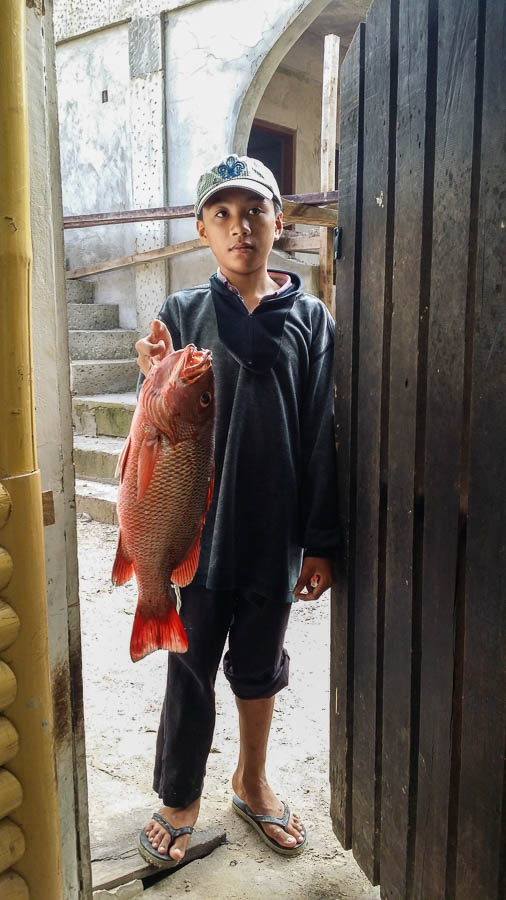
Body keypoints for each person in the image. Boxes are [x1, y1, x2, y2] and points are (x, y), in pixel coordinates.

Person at [134, 154, 338, 867]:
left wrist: (320, 540)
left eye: (253, 211)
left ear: (277, 222)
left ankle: (251, 780)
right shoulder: (183, 314)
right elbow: (154, 435)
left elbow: (321, 431)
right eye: (221, 214)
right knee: (188, 668)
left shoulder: (310, 318)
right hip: (195, 536)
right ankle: (179, 794)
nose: (240, 227)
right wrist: (149, 375)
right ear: (202, 231)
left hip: (272, 535)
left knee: (259, 666)